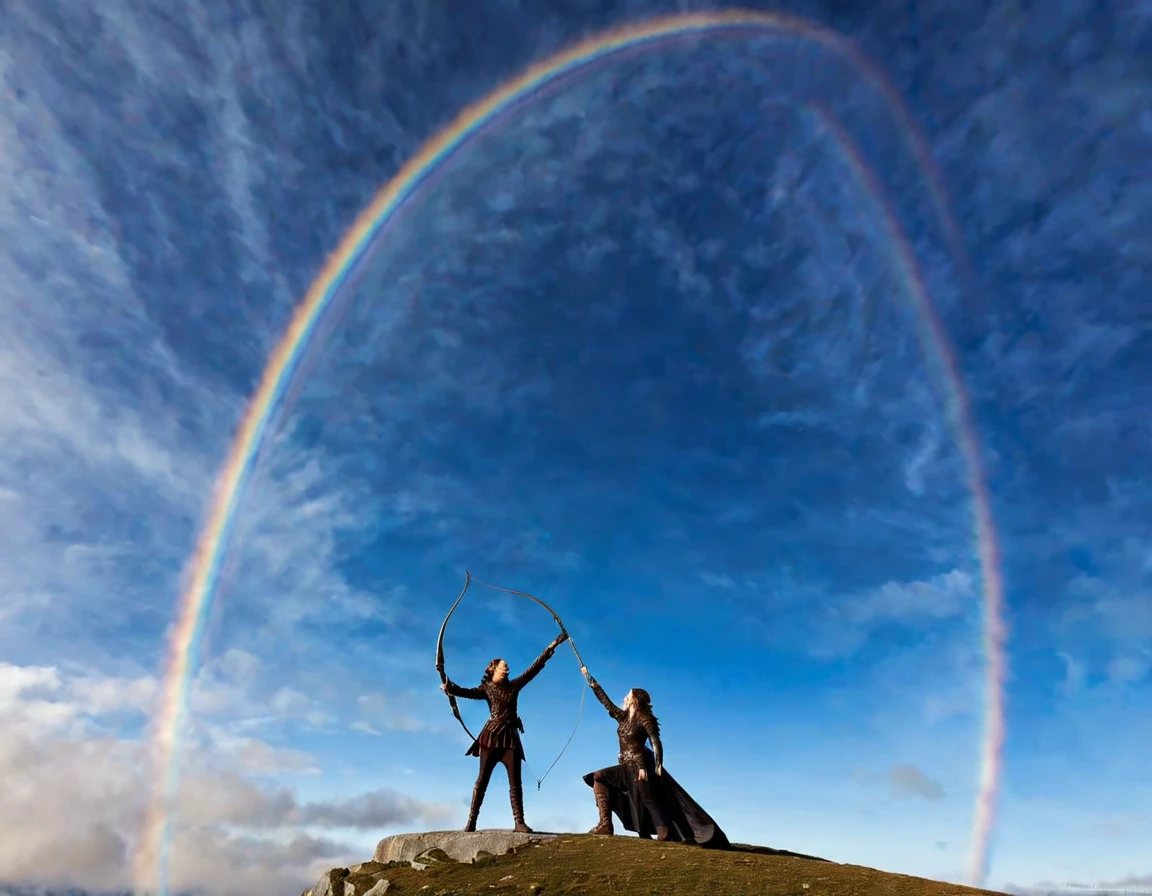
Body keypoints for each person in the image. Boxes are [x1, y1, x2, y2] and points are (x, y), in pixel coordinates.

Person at [580, 666, 729, 848]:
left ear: (635, 700)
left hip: (639, 766)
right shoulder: (624, 717)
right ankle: (605, 825)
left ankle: (664, 831)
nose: (624, 699)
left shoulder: (645, 718)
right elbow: (607, 703)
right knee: (599, 778)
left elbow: (655, 742)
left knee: (649, 799)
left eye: (628, 696)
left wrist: (656, 766)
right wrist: (591, 681)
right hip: (625, 765)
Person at [440, 631, 570, 833]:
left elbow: (533, 670)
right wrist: (450, 687)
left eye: (507, 666)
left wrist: (550, 648)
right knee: (482, 780)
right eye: (503, 666)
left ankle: (519, 822)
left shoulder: (514, 686)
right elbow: (466, 692)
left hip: (510, 738)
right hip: (490, 737)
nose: (506, 667)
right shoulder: (486, 688)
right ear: (493, 669)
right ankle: (471, 822)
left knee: (515, 782)